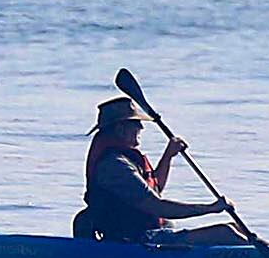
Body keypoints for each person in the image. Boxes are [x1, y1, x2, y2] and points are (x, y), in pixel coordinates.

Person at [74, 90, 239, 246]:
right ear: (121, 129)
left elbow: (155, 188)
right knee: (226, 233)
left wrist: (168, 156)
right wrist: (210, 208)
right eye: (136, 123)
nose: (141, 128)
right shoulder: (115, 166)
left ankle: (259, 249)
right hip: (133, 240)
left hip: (147, 234)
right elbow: (157, 205)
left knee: (234, 227)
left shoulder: (125, 159)